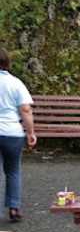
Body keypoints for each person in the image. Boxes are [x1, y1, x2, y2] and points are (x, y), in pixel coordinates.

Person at [0, 47, 36, 222]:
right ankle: (14, 208)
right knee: (13, 170)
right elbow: (25, 110)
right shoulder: (16, 83)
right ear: (7, 63)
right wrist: (30, 132)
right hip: (12, 133)